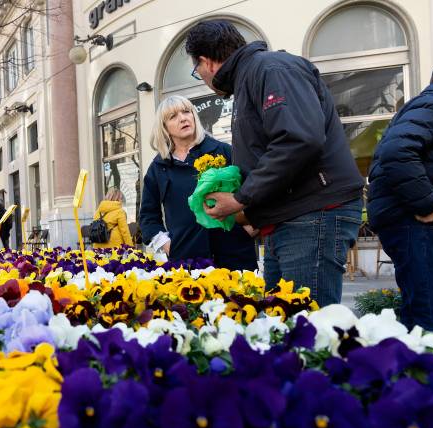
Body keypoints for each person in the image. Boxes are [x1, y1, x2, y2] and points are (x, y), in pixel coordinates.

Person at [185, 20, 364, 306]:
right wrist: (255, 213)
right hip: (293, 216)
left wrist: (241, 198)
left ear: (207, 63)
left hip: (312, 213)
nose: (203, 78)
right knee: (284, 321)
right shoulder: (252, 78)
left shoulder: (271, 69)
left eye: (197, 71)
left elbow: (298, 139)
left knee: (307, 326)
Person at [366, 55, 433, 332]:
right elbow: (397, 151)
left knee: (423, 313)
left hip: (416, 221)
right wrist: (425, 204)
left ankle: (414, 371)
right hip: (413, 219)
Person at [139, 95, 257, 270]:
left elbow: (256, 188)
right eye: (173, 116)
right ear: (164, 128)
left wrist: (251, 228)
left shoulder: (224, 151)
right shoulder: (159, 167)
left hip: (236, 257)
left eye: (186, 112)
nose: (183, 118)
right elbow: (148, 217)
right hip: (188, 264)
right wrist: (169, 246)